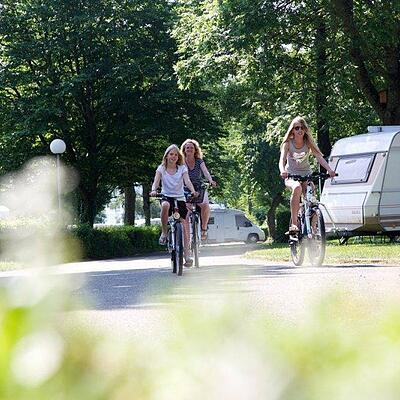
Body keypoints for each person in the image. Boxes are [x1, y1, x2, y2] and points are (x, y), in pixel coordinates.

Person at [279, 116, 335, 233]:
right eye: (297, 128)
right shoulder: (288, 143)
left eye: (302, 128)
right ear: (292, 130)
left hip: (306, 174)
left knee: (312, 200)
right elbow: (282, 160)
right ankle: (294, 224)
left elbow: (319, 157)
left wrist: (330, 170)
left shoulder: (308, 142)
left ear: (305, 129)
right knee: (297, 188)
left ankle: (314, 228)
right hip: (291, 175)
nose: (300, 130)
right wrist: (283, 170)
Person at [149, 145, 198, 257]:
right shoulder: (161, 168)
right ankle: (164, 232)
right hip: (166, 196)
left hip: (180, 198)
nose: (174, 156)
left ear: (178, 157)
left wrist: (193, 191)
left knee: (184, 225)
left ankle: (187, 255)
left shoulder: (182, 168)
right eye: (171, 154)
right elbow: (156, 182)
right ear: (166, 156)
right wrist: (154, 190)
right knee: (165, 205)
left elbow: (187, 181)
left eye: (176, 155)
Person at [180, 139, 217, 248]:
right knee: (185, 213)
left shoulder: (199, 161)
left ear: (195, 150)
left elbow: (205, 172)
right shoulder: (181, 162)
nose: (189, 149)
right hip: (185, 188)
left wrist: (210, 181)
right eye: (187, 148)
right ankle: (187, 240)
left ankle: (204, 229)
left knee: (205, 206)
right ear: (184, 150)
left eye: (192, 148)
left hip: (198, 187)